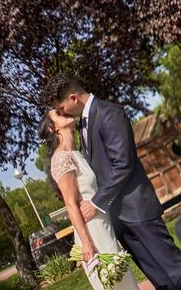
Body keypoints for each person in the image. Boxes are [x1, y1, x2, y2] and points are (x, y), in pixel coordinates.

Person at [43, 74, 181, 290]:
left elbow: (123, 163)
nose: (63, 112)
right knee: (155, 273)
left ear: (73, 98)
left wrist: (96, 202)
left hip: (137, 208)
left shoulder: (109, 113)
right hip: (116, 218)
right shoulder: (82, 127)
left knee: (171, 265)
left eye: (62, 107)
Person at [39, 110, 140, 290]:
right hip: (92, 231)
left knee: (124, 281)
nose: (63, 111)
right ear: (52, 128)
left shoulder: (76, 153)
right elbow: (70, 204)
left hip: (103, 223)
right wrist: (86, 243)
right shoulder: (61, 158)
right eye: (58, 114)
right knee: (115, 284)